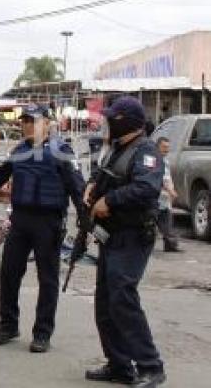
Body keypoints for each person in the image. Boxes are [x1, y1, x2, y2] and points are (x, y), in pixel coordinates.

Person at [0, 104, 84, 354]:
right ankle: (8, 325)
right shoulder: (20, 150)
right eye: (24, 121)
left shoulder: (61, 151)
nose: (26, 125)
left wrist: (84, 220)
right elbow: (1, 174)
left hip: (48, 222)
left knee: (47, 279)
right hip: (21, 220)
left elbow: (76, 186)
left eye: (32, 121)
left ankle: (42, 332)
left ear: (47, 123)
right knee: (9, 273)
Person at [84, 96, 166, 387]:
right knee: (105, 303)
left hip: (132, 235)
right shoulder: (117, 148)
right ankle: (119, 365)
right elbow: (104, 173)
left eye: (111, 118)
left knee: (122, 297)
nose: (106, 122)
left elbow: (147, 187)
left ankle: (151, 366)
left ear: (126, 123)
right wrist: (92, 186)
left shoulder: (146, 151)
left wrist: (110, 200)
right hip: (112, 235)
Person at [155, 137, 181, 253]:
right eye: (164, 147)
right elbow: (162, 179)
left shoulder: (165, 160)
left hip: (164, 199)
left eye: (168, 147)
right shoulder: (156, 160)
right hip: (157, 198)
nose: (166, 150)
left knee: (166, 222)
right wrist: (171, 191)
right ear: (158, 147)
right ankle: (170, 243)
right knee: (157, 221)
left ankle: (170, 244)